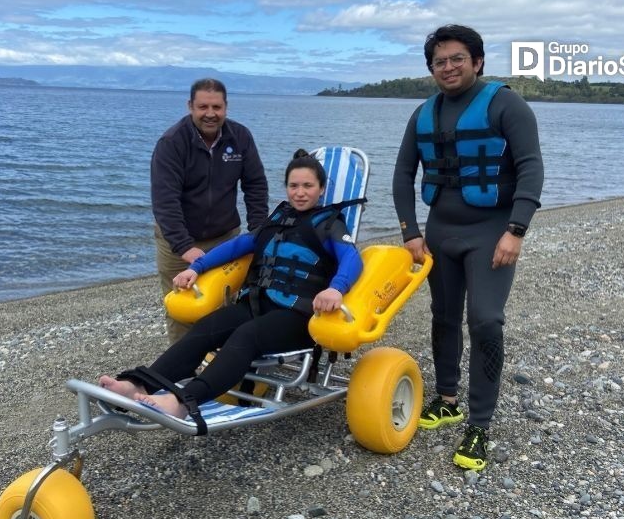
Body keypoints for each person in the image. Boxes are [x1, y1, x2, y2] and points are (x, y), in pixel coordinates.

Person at [101, 149, 362, 432]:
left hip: (299, 317)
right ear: (286, 187)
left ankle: (182, 402)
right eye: (293, 185)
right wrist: (196, 268)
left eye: (308, 186)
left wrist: (336, 289)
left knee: (246, 336)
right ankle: (137, 384)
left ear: (321, 189)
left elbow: (352, 258)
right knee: (206, 328)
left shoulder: (331, 224)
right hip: (256, 305)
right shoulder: (278, 218)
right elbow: (238, 245)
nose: (300, 193)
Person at [391, 25, 544, 471]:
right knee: (443, 316)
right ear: (431, 69)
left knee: (485, 320)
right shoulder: (422, 113)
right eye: (440, 61)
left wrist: (516, 229)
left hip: (491, 230)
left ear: (477, 61)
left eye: (457, 58)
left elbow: (532, 168)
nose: (449, 67)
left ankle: (479, 424)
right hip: (441, 231)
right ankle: (447, 399)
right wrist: (410, 232)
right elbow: (402, 175)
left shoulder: (506, 104)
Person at [151, 78, 269, 345]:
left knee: (226, 303)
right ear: (190, 106)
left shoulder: (240, 137)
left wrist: (259, 232)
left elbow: (256, 185)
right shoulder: (171, 142)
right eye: (203, 106)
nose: (210, 114)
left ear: (226, 107)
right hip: (177, 241)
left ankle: (220, 364)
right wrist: (184, 247)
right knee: (182, 306)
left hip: (225, 236)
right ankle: (181, 373)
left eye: (217, 107)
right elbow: (164, 201)